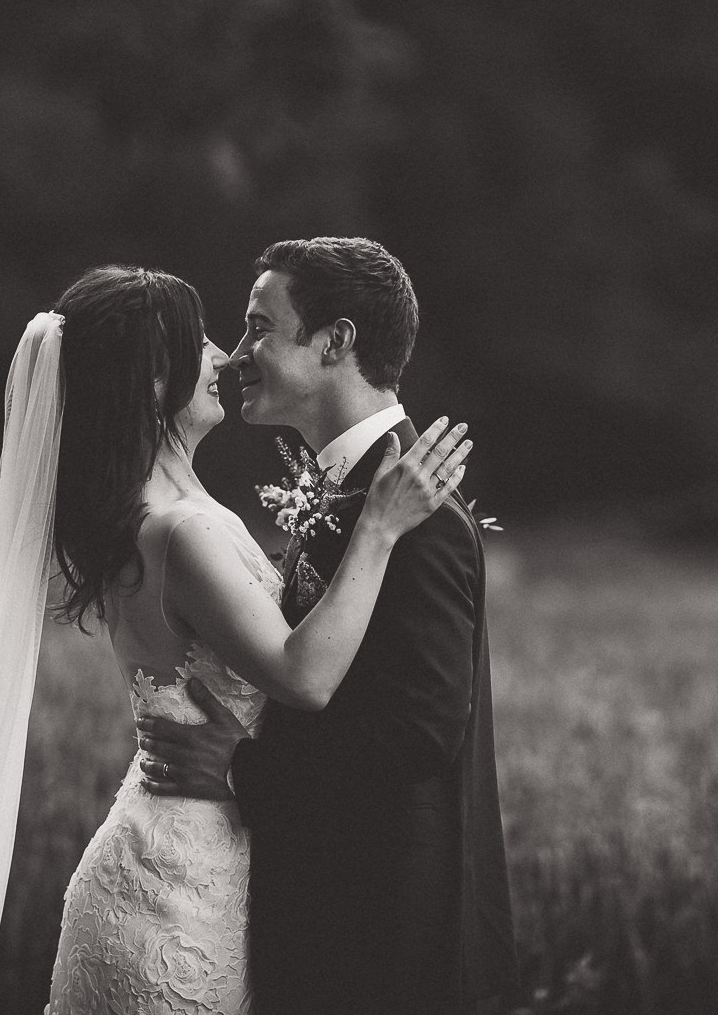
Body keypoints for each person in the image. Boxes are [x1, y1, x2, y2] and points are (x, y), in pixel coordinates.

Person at [0, 263, 474, 1015]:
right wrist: (379, 529)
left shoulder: (150, 511)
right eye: (202, 342)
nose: (226, 358)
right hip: (178, 898)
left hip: (170, 858)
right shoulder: (182, 529)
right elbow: (304, 676)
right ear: (153, 379)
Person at [137, 238, 516, 1015]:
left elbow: (418, 733)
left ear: (335, 341)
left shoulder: (421, 516)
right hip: (331, 921)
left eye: (259, 327)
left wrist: (243, 771)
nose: (238, 353)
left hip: (385, 945)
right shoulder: (354, 492)